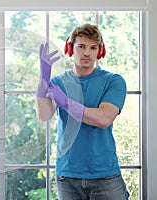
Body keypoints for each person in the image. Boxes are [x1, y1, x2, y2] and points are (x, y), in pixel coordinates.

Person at [35, 23, 130, 200]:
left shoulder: (114, 81)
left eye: (93, 47)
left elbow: (104, 119)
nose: (87, 53)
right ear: (70, 48)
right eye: (81, 46)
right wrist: (41, 88)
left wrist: (66, 102)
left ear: (100, 51)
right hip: (67, 174)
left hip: (104, 173)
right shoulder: (58, 82)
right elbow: (44, 115)